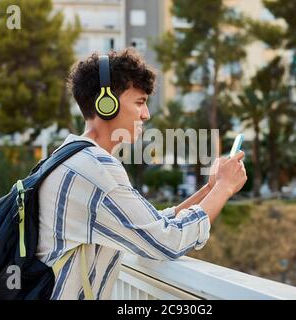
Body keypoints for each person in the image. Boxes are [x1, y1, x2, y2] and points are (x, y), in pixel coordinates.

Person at [36, 48, 247, 300]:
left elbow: (147, 223)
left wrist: (210, 190)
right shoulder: (97, 172)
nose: (146, 114)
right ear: (106, 104)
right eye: (139, 102)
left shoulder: (69, 156)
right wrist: (225, 188)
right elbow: (168, 241)